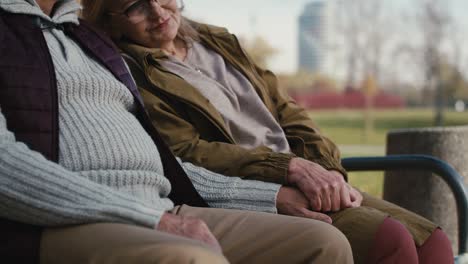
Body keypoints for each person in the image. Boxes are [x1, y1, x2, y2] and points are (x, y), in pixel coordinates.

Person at [80, 0, 455, 263]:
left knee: (434, 242)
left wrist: (325, 171)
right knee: (391, 242)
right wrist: (287, 171)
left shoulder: (216, 40)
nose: (158, 11)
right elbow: (189, 150)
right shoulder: (132, 73)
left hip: (308, 176)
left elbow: (286, 109)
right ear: (111, 19)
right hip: (259, 187)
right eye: (135, 6)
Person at [0, 0, 355, 263]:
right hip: (63, 220)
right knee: (194, 260)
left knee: (324, 243)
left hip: (159, 206)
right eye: (138, 6)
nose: (156, 11)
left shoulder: (88, 41)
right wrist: (148, 218)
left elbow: (163, 160)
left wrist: (266, 195)